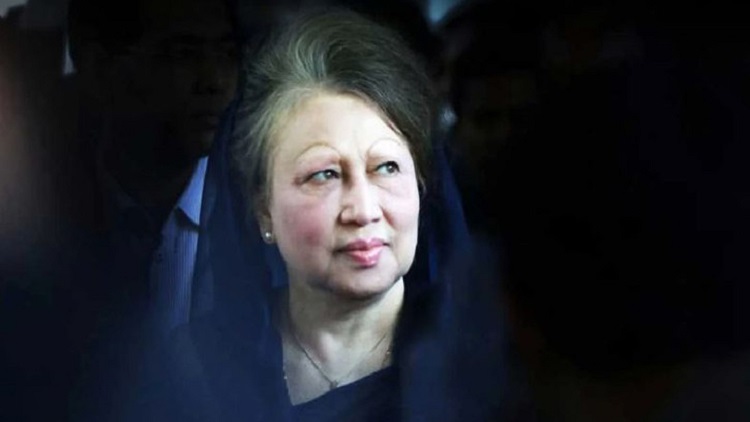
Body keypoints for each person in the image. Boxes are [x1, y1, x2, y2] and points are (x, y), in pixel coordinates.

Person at [164, 7, 507, 422]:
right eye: (324, 174)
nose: (363, 211)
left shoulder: (480, 361)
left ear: (420, 184)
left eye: (387, 168)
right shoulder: (199, 365)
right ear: (263, 210)